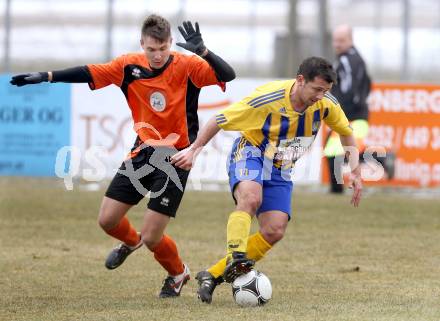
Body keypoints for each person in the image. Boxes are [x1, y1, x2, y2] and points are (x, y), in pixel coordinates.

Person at [10, 15, 235, 298]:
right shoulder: (128, 66)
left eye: (163, 48)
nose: (157, 55)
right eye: (151, 49)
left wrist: (203, 52)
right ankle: (131, 242)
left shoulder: (188, 66)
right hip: (142, 152)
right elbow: (88, 72)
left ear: (170, 44)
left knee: (154, 237)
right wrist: (47, 76)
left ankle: (178, 274)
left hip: (176, 157)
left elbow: (227, 75)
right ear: (142, 44)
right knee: (107, 221)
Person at [171, 56, 362, 304]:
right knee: (250, 198)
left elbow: (346, 132)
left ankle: (212, 275)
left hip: (281, 167)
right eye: (317, 89)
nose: (320, 96)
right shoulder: (267, 99)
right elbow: (219, 119)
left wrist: (356, 172)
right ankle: (237, 255)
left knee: (274, 229)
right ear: (300, 80)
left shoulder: (326, 104)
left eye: (326, 91)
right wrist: (194, 149)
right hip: (251, 153)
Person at [324, 24, 371, 193]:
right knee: (337, 152)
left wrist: (340, 109)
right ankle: (336, 190)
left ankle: (384, 159)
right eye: (335, 40)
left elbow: (348, 88)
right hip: (357, 113)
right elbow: (367, 83)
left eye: (341, 40)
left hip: (351, 114)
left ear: (350, 40)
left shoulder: (347, 60)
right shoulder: (357, 58)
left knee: (337, 152)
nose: (337, 44)